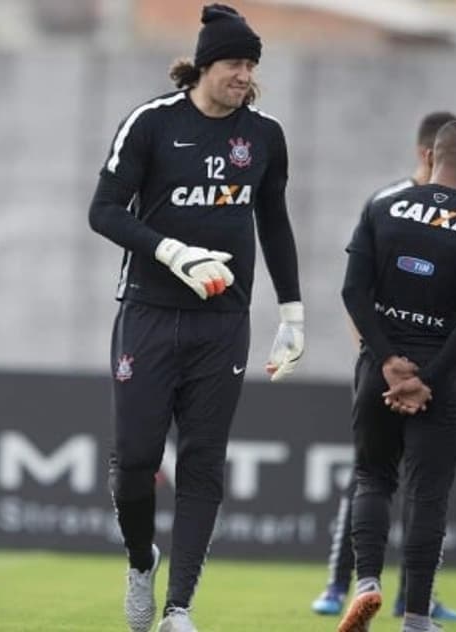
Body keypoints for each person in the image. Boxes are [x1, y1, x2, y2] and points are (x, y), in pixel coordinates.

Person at [88, 5, 303, 631]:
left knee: (204, 461)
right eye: (236, 63)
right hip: (150, 314)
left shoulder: (264, 135)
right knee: (134, 462)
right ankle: (138, 563)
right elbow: (103, 211)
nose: (245, 75)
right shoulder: (151, 123)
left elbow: (275, 224)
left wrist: (292, 314)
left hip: (223, 324)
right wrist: (169, 250)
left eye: (252, 65)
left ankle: (179, 607)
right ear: (205, 64)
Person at [311, 111, 456, 623]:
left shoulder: (382, 208)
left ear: (430, 157)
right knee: (428, 494)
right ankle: (415, 616)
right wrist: (426, 378)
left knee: (372, 477)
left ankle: (364, 581)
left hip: (378, 372)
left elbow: (353, 292)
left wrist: (389, 361)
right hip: (441, 380)